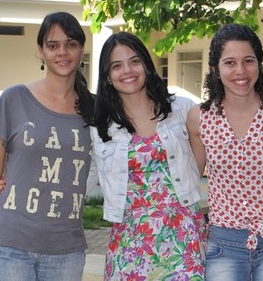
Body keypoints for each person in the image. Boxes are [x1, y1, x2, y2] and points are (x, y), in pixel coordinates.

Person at [0, 11, 95, 281]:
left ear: (81, 50)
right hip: (9, 242)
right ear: (40, 51)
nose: (62, 52)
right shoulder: (14, 99)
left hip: (67, 248)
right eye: (52, 45)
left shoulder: (95, 110)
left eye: (71, 44)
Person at [187, 24, 263, 281]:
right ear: (216, 68)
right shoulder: (199, 118)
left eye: (248, 61)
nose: (240, 71)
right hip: (223, 245)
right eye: (230, 62)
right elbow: (188, 179)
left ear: (259, 64)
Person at [87, 31, 207, 280]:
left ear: (146, 65)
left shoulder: (182, 110)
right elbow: (80, 179)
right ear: (108, 76)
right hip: (130, 241)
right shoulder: (100, 128)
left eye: (134, 61)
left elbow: (216, 154)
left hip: (183, 236)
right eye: (117, 66)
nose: (127, 71)